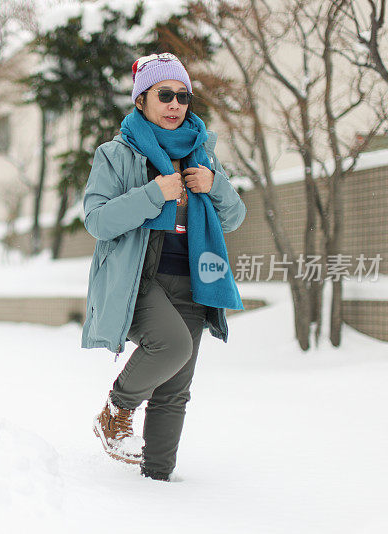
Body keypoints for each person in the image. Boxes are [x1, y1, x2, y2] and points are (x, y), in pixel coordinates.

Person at [81, 53, 247, 481]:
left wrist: (217, 184)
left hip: (193, 278)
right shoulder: (116, 154)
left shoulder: (201, 154)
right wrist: (154, 194)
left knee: (175, 391)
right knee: (172, 346)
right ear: (142, 100)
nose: (175, 104)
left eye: (183, 96)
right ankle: (116, 410)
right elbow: (98, 221)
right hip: (140, 277)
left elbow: (233, 218)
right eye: (165, 94)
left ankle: (157, 481)